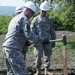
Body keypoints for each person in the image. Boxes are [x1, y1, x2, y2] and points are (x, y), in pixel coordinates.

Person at [2, 1, 49, 75]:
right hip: (14, 48)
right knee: (22, 72)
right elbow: (29, 35)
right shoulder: (24, 19)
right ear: (27, 10)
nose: (32, 15)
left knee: (11, 72)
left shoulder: (16, 18)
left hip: (6, 47)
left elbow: (17, 33)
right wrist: (42, 40)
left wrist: (25, 41)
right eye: (32, 13)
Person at [31, 1, 56, 75]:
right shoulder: (35, 20)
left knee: (47, 56)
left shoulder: (49, 19)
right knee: (38, 56)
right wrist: (34, 40)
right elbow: (32, 31)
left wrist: (53, 41)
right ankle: (38, 70)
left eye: (44, 11)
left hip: (47, 41)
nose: (43, 12)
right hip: (38, 41)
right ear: (40, 10)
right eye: (42, 10)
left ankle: (46, 70)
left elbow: (52, 31)